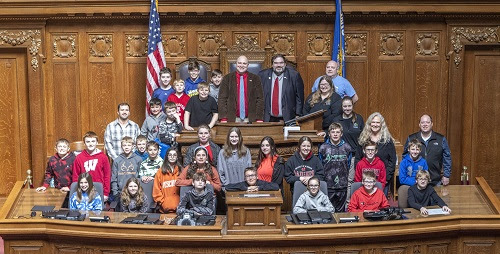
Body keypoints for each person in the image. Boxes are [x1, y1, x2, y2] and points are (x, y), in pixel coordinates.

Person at [403, 114, 451, 186]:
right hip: (415, 181)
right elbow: (405, 156)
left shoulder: (441, 139)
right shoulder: (412, 138)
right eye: (422, 122)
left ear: (432, 124)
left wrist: (446, 175)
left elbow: (447, 157)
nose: (425, 124)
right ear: (419, 124)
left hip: (435, 180)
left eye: (427, 122)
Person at [319, 123, 355, 212]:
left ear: (341, 134)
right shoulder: (323, 148)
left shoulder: (347, 147)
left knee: (341, 211)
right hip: (328, 185)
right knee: (327, 210)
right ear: (329, 133)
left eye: (337, 132)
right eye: (333, 132)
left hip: (342, 185)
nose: (335, 134)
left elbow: (349, 164)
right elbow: (320, 164)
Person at [358, 112, 396, 195]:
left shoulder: (387, 140)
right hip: (365, 181)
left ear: (381, 124)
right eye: (373, 122)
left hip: (382, 180)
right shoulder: (363, 138)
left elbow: (392, 160)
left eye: (378, 122)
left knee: (381, 204)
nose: (375, 125)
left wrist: (386, 178)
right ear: (369, 123)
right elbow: (358, 158)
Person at [258, 54, 304, 122]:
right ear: (272, 64)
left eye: (281, 63)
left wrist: (298, 114)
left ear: (285, 64)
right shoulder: (263, 75)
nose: (278, 65)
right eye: (276, 63)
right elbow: (257, 95)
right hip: (267, 117)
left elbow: (299, 97)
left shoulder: (294, 75)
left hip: (288, 117)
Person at [218, 55, 264, 123]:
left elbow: (260, 99)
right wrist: (223, 118)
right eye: (239, 63)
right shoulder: (227, 78)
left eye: (244, 63)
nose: (241, 65)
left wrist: (259, 118)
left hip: (251, 119)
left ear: (248, 65)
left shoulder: (255, 79)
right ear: (236, 64)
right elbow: (222, 99)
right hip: (232, 119)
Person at [72, 131, 111, 201]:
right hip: (83, 190)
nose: (90, 144)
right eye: (88, 142)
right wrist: (77, 192)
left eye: (93, 141)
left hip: (99, 190)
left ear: (97, 142)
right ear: (84, 143)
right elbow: (75, 176)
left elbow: (107, 175)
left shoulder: (103, 157)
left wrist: (106, 193)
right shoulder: (79, 158)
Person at [110, 136, 142, 201]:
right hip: (120, 193)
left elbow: (140, 176)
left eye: (129, 145)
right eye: (124, 145)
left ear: (133, 146)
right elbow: (114, 178)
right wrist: (115, 193)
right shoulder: (117, 160)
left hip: (135, 192)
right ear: (121, 147)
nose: (126, 147)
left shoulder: (138, 159)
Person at [153, 148, 181, 213]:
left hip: (179, 209)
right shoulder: (160, 171)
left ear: (177, 157)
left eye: (174, 155)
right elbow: (156, 190)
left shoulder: (181, 171)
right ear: (167, 157)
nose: (172, 157)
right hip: (164, 209)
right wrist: (163, 202)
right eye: (170, 155)